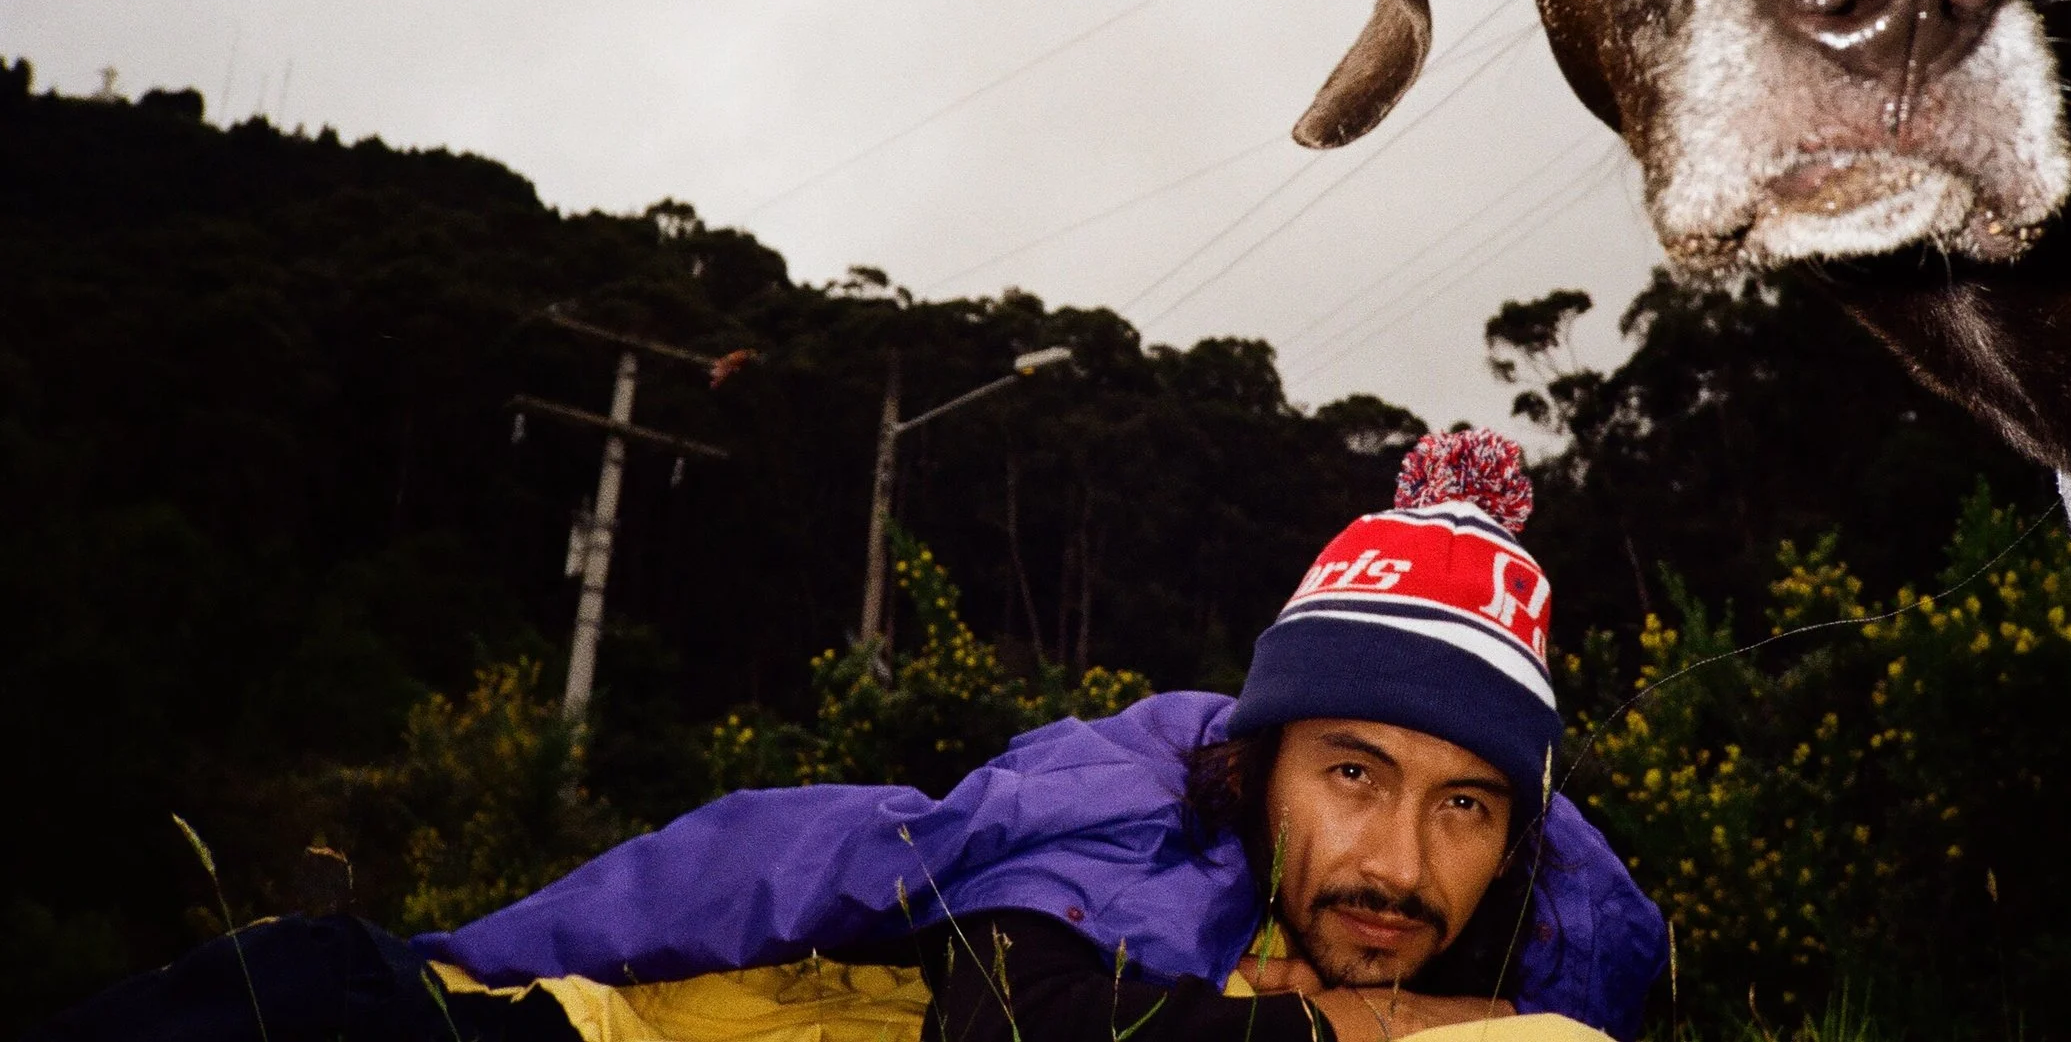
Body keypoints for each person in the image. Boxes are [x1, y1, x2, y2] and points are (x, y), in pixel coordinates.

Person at [41, 431, 1663, 1042]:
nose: (1394, 860)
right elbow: (1014, 1029)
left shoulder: (1519, 976)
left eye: (1465, 804)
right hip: (530, 1017)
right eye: (1355, 775)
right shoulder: (1136, 796)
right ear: (1264, 757)